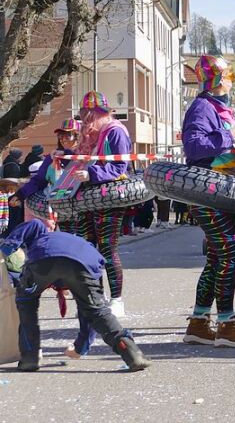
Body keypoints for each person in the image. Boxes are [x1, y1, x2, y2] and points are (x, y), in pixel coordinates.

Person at [180, 54, 235, 348]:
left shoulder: (218, 107)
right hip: (208, 194)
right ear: (217, 78)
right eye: (229, 76)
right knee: (231, 252)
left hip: (224, 193)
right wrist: (231, 134)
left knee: (218, 257)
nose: (231, 81)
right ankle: (226, 324)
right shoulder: (202, 106)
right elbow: (194, 146)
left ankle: (199, 322)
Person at [1, 219, 149, 371]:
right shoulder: (76, 243)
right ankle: (132, 353)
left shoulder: (41, 234)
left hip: (44, 258)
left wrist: (6, 248)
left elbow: (32, 225)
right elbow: (89, 313)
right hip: (84, 263)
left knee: (26, 302)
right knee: (97, 311)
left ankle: (29, 359)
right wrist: (81, 347)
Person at [76, 91, 134, 318]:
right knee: (88, 248)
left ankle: (117, 299)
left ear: (103, 114)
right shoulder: (92, 135)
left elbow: (120, 169)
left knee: (107, 247)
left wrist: (90, 173)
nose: (87, 121)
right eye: (84, 116)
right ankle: (95, 297)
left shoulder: (115, 132)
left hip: (110, 197)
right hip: (88, 198)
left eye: (91, 116)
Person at [9, 120, 83, 228]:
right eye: (60, 136)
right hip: (63, 206)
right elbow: (39, 180)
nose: (63, 139)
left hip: (84, 204)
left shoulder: (86, 155)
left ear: (77, 136)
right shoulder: (53, 158)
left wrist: (67, 154)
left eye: (68, 136)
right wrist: (20, 194)